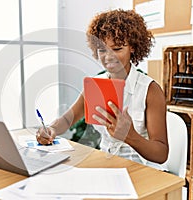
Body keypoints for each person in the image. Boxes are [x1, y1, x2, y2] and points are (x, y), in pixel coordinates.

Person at [36, 9, 168, 170]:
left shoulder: (150, 90)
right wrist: (50, 129)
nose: (108, 56)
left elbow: (161, 154)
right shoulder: (96, 85)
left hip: (141, 169)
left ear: (132, 47)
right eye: (102, 50)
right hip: (106, 165)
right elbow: (67, 119)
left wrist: (130, 136)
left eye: (117, 48)